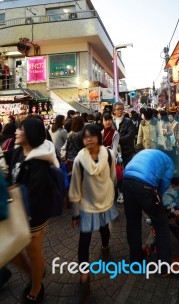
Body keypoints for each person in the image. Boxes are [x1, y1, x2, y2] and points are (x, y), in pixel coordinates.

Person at [4, 117, 59, 304]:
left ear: (31, 134)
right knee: (13, 252)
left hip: (33, 217)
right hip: (17, 212)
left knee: (34, 253)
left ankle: (36, 287)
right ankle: (34, 274)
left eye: (21, 129)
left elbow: (36, 196)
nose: (16, 132)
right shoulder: (18, 151)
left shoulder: (39, 162)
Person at [69, 124, 118, 300]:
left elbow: (112, 177)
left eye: (91, 136)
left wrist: (113, 196)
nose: (88, 139)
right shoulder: (79, 160)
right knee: (84, 240)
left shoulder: (109, 155)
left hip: (105, 201)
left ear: (98, 136)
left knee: (105, 229)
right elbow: (74, 187)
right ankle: (84, 274)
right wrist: (75, 213)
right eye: (85, 137)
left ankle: (105, 246)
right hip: (87, 205)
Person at [123, 149, 174, 271]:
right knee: (161, 223)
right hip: (145, 183)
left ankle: (136, 261)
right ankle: (164, 266)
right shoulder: (170, 162)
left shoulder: (148, 152)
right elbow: (164, 185)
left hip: (126, 180)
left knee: (133, 222)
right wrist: (159, 201)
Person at [113, 102, 136, 167]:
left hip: (127, 152)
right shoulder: (112, 122)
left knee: (128, 170)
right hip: (115, 152)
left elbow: (131, 135)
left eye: (122, 109)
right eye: (118, 109)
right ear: (114, 111)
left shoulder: (128, 121)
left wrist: (118, 140)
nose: (120, 110)